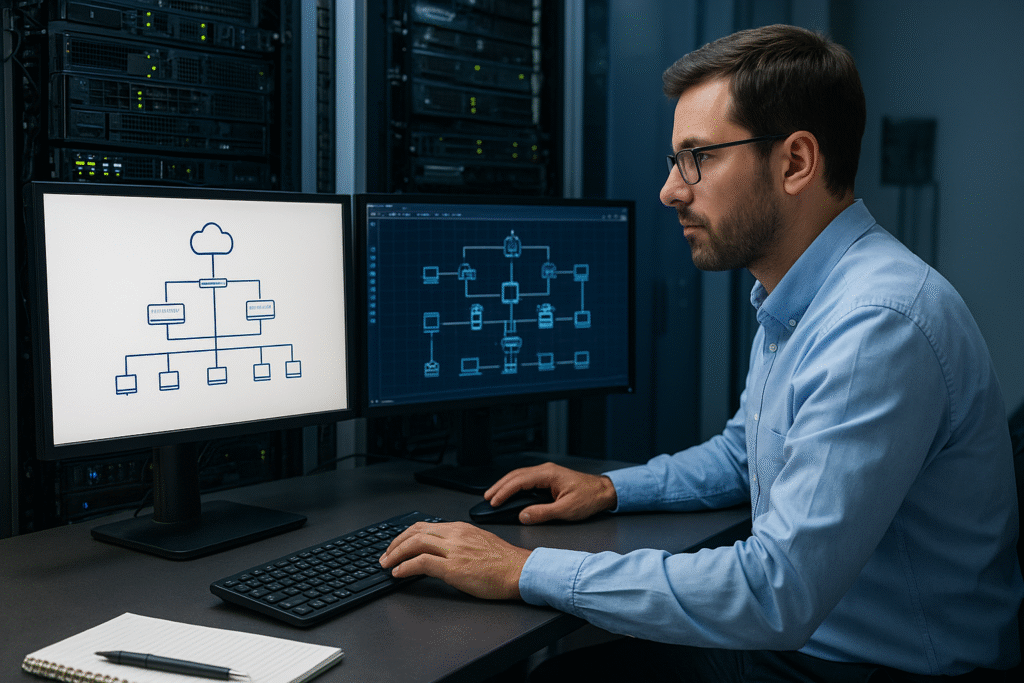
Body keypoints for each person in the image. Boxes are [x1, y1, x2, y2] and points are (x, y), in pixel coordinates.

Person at [379, 24, 1023, 682]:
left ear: (795, 162)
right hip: (814, 644)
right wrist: (608, 489)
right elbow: (744, 452)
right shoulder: (801, 296)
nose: (670, 190)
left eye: (698, 158)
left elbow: (776, 591)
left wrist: (523, 568)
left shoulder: (874, 325)